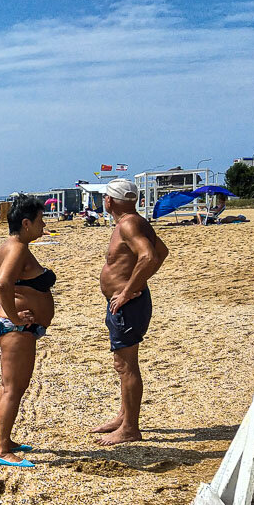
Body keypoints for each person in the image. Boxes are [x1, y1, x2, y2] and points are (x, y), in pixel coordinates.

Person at [91, 179, 168, 446]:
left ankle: (130, 428)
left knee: (126, 366)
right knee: (121, 364)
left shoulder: (128, 224)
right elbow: (161, 251)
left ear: (109, 200)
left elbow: (149, 256)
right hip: (127, 302)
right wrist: (137, 283)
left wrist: (127, 290)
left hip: (126, 304)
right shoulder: (134, 221)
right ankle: (124, 418)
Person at [0, 199, 54, 468]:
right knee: (13, 388)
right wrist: (14, 316)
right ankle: (3, 450)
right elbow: (2, 284)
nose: (44, 225)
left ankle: (3, 440)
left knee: (10, 386)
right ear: (26, 223)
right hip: (17, 328)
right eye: (40, 220)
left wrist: (7, 309)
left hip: (16, 326)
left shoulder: (9, 247)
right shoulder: (16, 248)